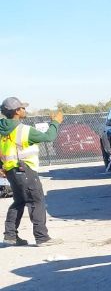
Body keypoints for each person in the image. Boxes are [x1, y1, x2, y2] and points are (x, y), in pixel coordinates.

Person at [1, 97, 63, 246]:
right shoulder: (24, 130)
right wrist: (55, 122)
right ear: (16, 111)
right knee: (36, 201)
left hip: (10, 171)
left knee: (20, 201)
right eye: (22, 108)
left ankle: (10, 236)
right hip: (25, 170)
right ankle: (42, 237)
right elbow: (49, 137)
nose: (24, 110)